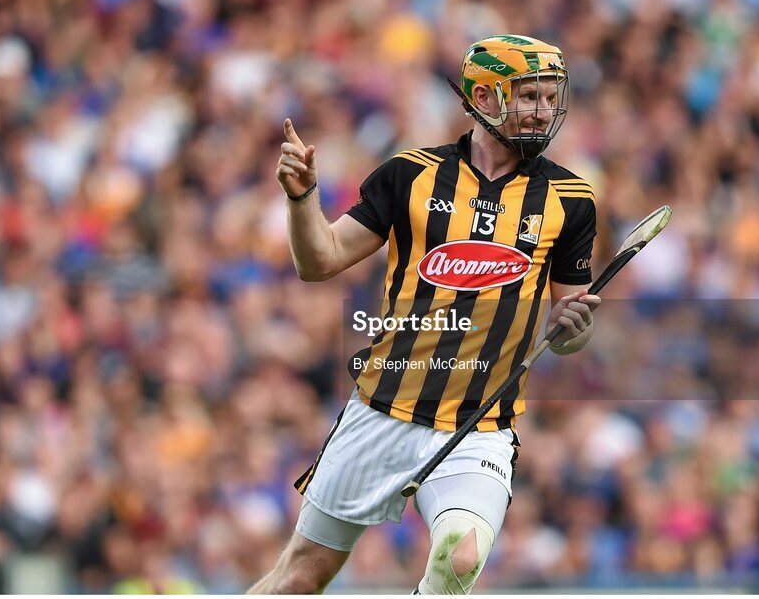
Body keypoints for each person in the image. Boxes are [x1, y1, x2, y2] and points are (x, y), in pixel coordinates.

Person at [250, 34, 601, 594]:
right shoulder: (409, 174)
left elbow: (567, 328)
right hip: (382, 410)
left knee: (460, 560)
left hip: (478, 425)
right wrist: (301, 199)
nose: (543, 111)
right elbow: (321, 261)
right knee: (300, 577)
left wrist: (572, 333)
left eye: (550, 97)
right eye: (529, 96)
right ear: (483, 99)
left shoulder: (570, 198)